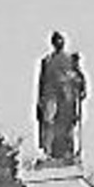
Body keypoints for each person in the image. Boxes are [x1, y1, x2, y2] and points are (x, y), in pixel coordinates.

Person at [36, 31, 87, 161]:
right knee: (48, 122)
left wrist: (80, 86)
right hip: (50, 96)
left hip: (66, 97)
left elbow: (79, 78)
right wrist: (39, 102)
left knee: (66, 124)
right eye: (56, 40)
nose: (58, 43)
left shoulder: (70, 59)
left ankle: (68, 152)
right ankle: (47, 152)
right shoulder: (47, 61)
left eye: (60, 40)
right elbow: (41, 82)